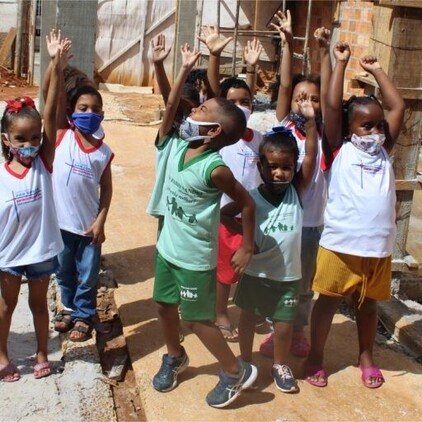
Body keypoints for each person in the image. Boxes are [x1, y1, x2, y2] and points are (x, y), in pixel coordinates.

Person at [151, 43, 257, 408]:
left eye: (201, 109)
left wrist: (246, 244)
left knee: (197, 320)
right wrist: (175, 68)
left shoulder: (216, 169)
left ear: (212, 131)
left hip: (195, 257)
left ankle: (233, 371)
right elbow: (169, 108)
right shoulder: (176, 145)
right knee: (164, 306)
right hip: (168, 247)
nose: (193, 109)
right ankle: (174, 355)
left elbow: (246, 202)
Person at [304, 42, 405, 389]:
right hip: (340, 243)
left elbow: (398, 105)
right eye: (367, 126)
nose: (376, 132)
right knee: (328, 302)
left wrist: (377, 70)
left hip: (378, 247)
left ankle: (366, 357)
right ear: (349, 129)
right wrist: (340, 62)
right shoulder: (339, 148)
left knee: (368, 306)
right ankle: (316, 356)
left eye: (379, 126)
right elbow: (332, 105)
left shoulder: (384, 150)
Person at [223, 91, 317, 394]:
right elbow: (225, 215)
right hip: (256, 274)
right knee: (248, 318)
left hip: (288, 276)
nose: (280, 172)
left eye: (286, 167)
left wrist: (312, 123)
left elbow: (312, 156)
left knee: (284, 324)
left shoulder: (295, 191)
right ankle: (246, 361)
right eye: (273, 166)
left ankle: (279, 364)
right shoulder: (250, 198)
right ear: (261, 167)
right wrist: (243, 241)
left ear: (294, 168)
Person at [260, 10, 332, 358]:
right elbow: (286, 84)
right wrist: (288, 43)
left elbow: (329, 95)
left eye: (314, 99)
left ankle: (298, 328)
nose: (307, 103)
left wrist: (325, 50)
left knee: (303, 284)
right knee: (276, 277)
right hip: (280, 220)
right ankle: (276, 327)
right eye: (302, 98)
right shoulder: (284, 128)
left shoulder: (327, 135)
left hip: (310, 224)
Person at [0, 48, 64, 381]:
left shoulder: (44, 163)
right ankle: (2, 356)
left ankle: (42, 353)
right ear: (6, 140)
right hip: (9, 254)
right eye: (21, 139)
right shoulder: (2, 176)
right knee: (6, 306)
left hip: (39, 252)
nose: (29, 144)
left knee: (39, 305)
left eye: (36, 137)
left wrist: (54, 65)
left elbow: (50, 111)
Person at [48, 34, 114, 341]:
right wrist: (57, 66)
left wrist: (100, 220)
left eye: (95, 108)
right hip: (60, 226)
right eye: (82, 107)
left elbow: (107, 189)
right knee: (64, 272)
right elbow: (54, 102)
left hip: (88, 230)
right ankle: (70, 309)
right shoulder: (62, 137)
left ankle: (86, 314)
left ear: (101, 114)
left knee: (88, 276)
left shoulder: (103, 152)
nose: (88, 113)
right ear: (72, 111)